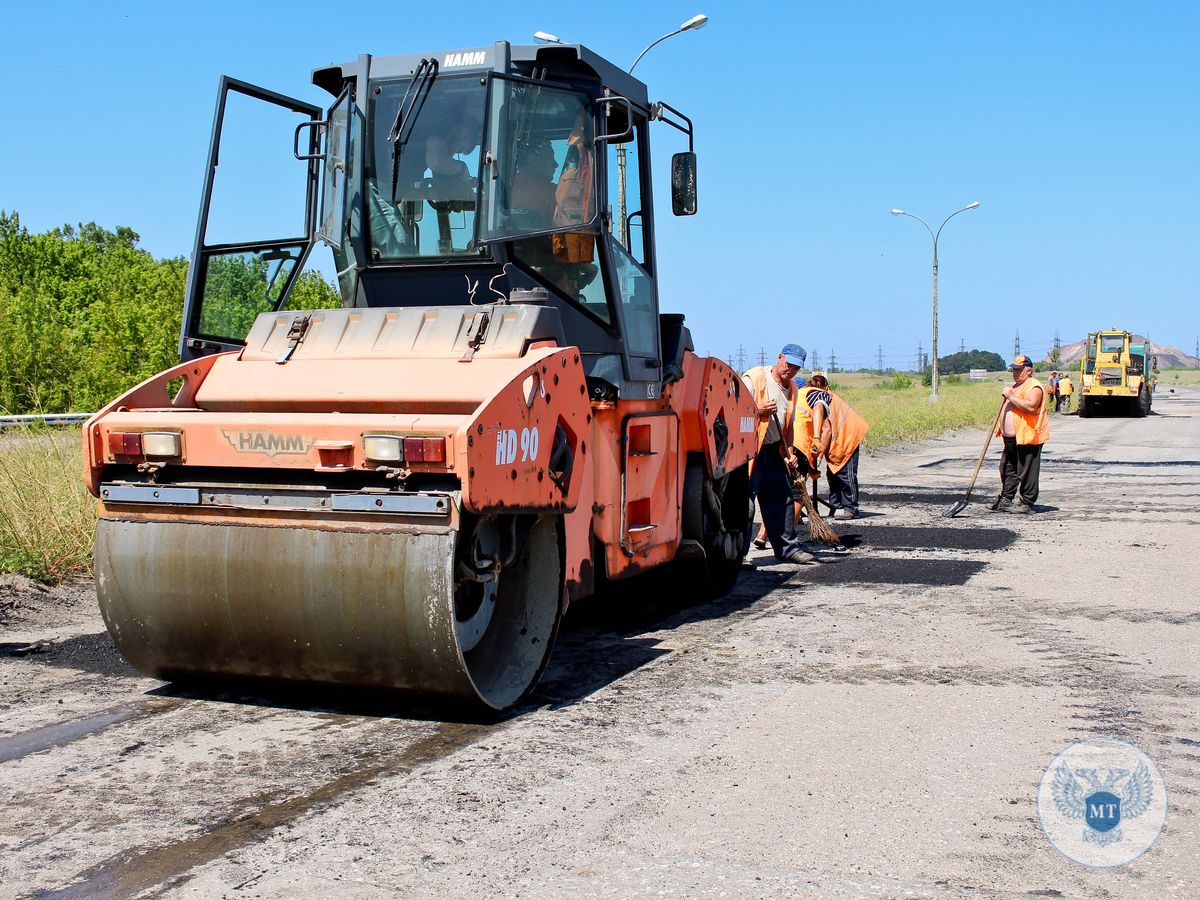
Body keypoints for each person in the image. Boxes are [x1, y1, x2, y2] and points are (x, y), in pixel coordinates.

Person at [742, 347, 814, 564]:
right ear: (779, 357)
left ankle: (787, 549)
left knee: (782, 499)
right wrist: (757, 409)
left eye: (795, 368)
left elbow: (788, 426)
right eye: (788, 364)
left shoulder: (792, 387)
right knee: (745, 504)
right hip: (750, 451)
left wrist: (789, 454)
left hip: (775, 450)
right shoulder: (754, 377)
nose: (790, 370)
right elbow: (734, 411)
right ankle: (739, 556)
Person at [797, 373, 869, 519]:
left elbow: (826, 431)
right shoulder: (812, 396)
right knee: (832, 474)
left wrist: (817, 456)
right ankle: (835, 506)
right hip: (838, 436)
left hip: (847, 436)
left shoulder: (817, 399)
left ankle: (851, 509)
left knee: (845, 474)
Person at [990, 354, 1049, 513]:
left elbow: (1030, 406)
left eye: (1018, 370)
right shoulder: (1016, 386)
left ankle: (1027, 502)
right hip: (1010, 438)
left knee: (1027, 470)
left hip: (1027, 435)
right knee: (1007, 467)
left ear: (1028, 370)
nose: (1014, 373)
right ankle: (1006, 499)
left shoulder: (1034, 386)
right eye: (1013, 370)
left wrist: (1010, 396)